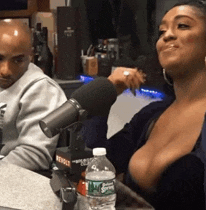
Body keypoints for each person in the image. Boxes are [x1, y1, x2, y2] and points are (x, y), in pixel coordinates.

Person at [81, 1, 206, 209]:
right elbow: (92, 166)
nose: (167, 35)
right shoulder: (150, 115)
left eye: (182, 25)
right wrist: (107, 93)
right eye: (162, 31)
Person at [0, 19, 67, 171]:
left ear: (30, 56)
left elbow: (34, 154)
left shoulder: (41, 89)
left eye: (17, 60)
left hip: (12, 184)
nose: (5, 70)